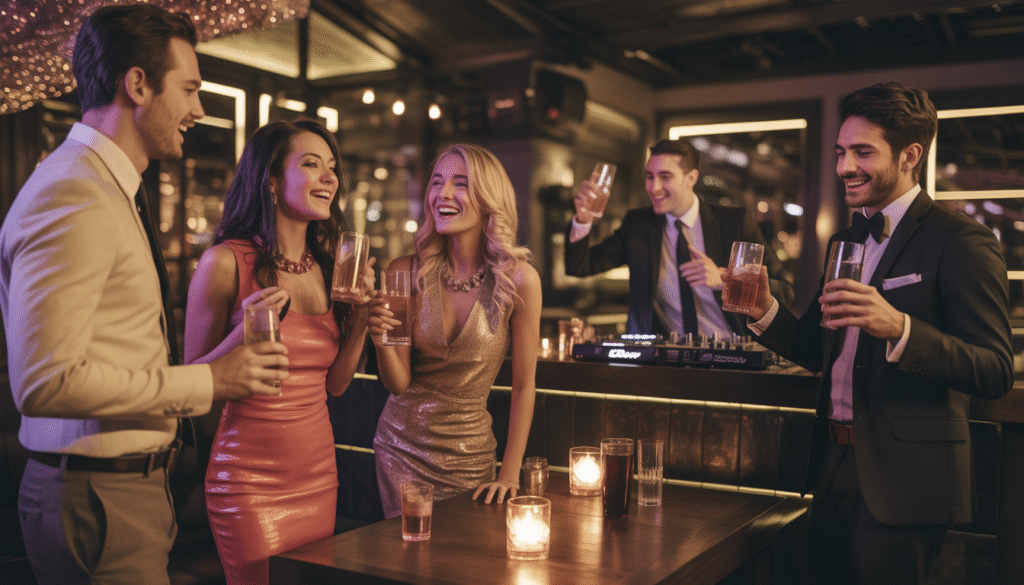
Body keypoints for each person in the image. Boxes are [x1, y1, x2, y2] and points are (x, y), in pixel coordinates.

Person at [0, 5, 286, 585]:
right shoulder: (75, 193)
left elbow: (113, 350)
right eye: (188, 89)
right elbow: (44, 382)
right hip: (96, 499)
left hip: (118, 494)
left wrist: (225, 354)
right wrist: (210, 381)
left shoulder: (102, 186)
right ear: (137, 84)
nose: (198, 111)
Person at [727, 82, 1013, 584]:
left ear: (910, 155)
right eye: (841, 152)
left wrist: (900, 328)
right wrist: (764, 309)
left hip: (908, 478)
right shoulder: (848, 238)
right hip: (833, 462)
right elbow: (821, 351)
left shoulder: (962, 240)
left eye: (862, 152)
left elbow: (993, 369)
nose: (843, 167)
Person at [184, 119, 375, 585]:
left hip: (318, 471)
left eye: (332, 167)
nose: (330, 177)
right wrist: (239, 339)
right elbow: (189, 387)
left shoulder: (330, 267)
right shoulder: (224, 262)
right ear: (270, 181)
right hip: (247, 478)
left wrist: (365, 315)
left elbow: (336, 384)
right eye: (312, 164)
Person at [368, 144, 541, 518]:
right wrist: (379, 335)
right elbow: (398, 384)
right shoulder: (403, 271)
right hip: (399, 449)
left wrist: (509, 473)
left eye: (460, 183)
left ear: (488, 198)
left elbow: (525, 384)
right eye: (436, 182)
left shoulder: (520, 280)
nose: (443, 194)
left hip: (471, 458)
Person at [564, 139, 793, 339]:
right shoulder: (638, 224)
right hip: (661, 358)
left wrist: (726, 280)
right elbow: (580, 266)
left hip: (729, 355)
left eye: (665, 177)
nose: (653, 187)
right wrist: (583, 220)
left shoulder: (733, 224)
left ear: (691, 177)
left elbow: (784, 291)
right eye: (649, 176)